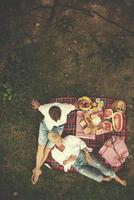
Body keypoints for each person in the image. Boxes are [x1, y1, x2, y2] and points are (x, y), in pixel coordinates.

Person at [48, 132, 127, 186]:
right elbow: (62, 163)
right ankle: (103, 178)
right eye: (57, 141)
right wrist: (68, 161)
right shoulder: (54, 152)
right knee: (89, 174)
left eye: (60, 138)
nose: (60, 141)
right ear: (53, 143)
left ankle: (118, 179)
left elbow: (80, 142)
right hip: (76, 164)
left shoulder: (68, 138)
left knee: (101, 167)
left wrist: (87, 154)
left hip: (82, 155)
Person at [31, 99, 78, 184]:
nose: (55, 121)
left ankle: (37, 170)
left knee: (47, 149)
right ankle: (37, 170)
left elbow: (75, 105)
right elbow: (39, 107)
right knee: (40, 147)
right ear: (49, 113)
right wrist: (37, 105)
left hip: (58, 128)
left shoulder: (65, 108)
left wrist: (77, 103)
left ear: (61, 111)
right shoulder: (45, 108)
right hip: (45, 126)